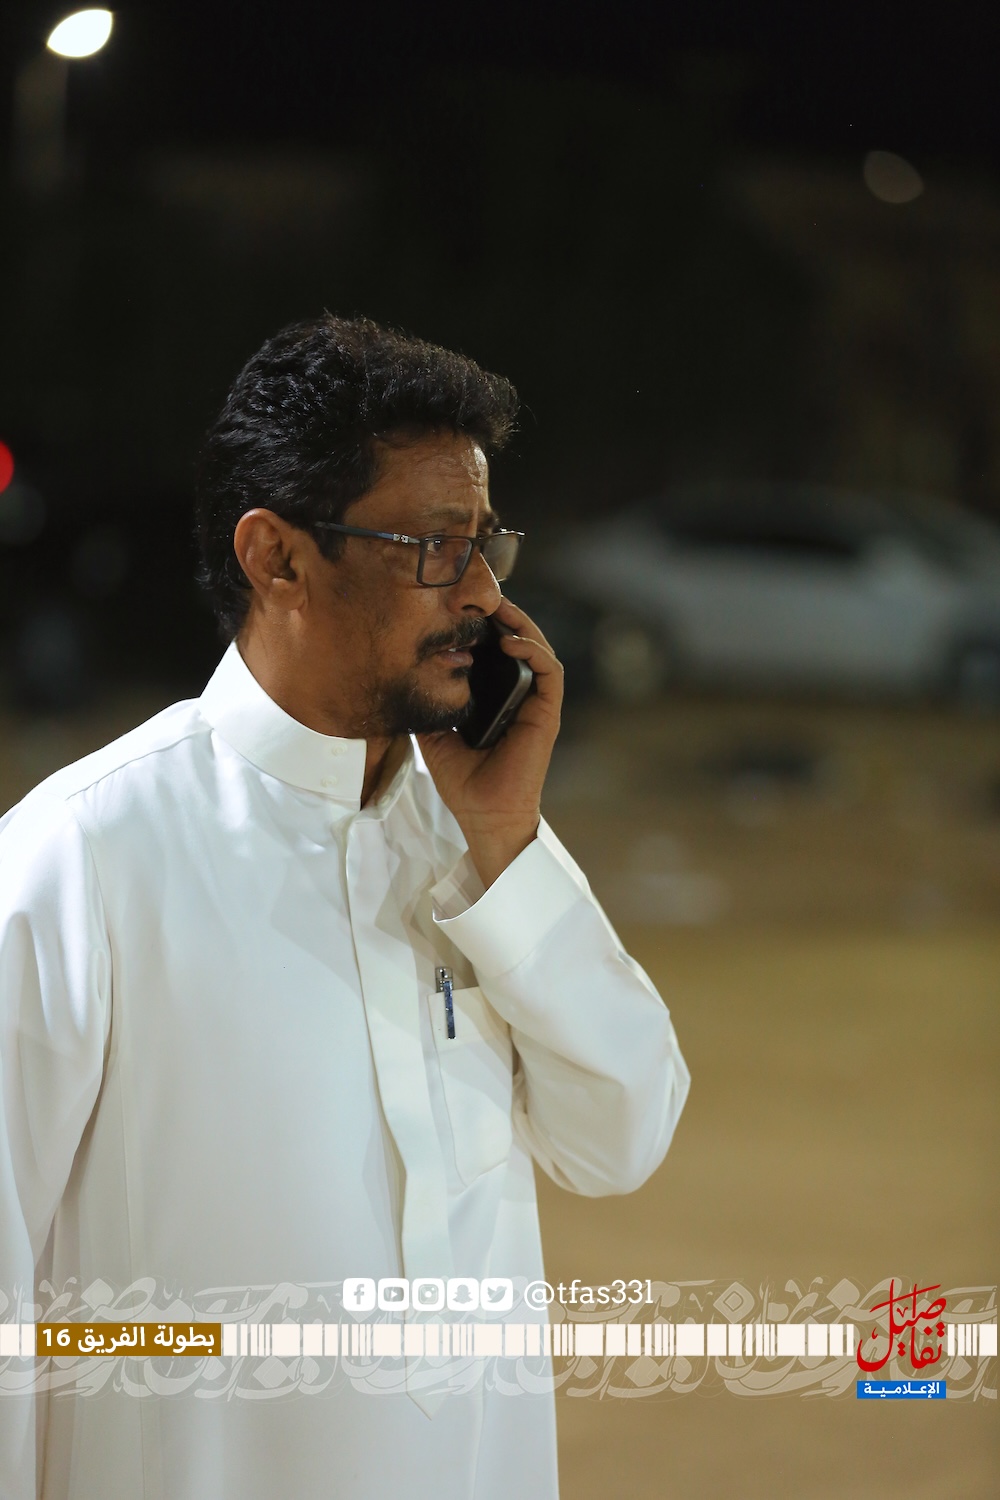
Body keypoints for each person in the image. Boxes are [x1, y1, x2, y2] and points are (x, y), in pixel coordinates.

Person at [0, 314, 690, 1499]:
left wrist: (508, 843)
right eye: (435, 547)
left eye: (486, 544)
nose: (482, 593)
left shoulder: (472, 836)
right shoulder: (81, 859)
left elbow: (620, 1140)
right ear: (276, 558)